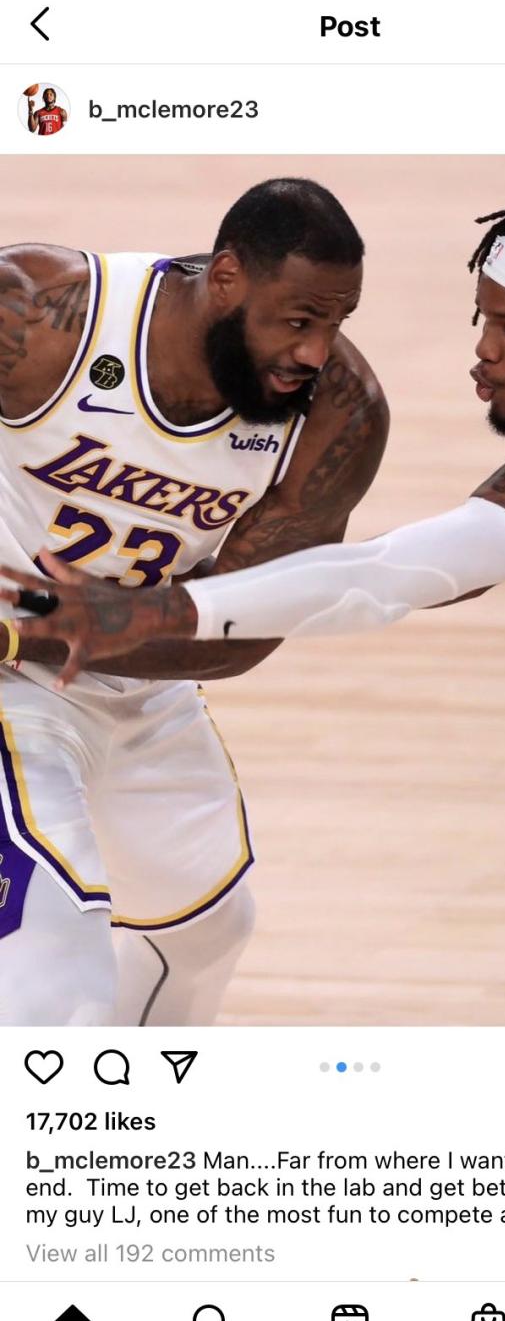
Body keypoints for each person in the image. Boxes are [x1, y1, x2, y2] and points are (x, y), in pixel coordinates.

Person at [13, 193, 505, 1024]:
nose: (483, 350)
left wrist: (152, 615)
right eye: (483, 318)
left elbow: (387, 576)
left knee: (199, 933)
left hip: (122, 678)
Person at [0, 177, 389, 1025]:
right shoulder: (46, 317)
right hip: (8, 682)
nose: (316, 352)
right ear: (226, 279)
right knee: (52, 961)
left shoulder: (339, 415)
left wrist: (49, 632)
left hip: (139, 670)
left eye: (336, 323)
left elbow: (249, 629)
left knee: (206, 932)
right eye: (298, 320)